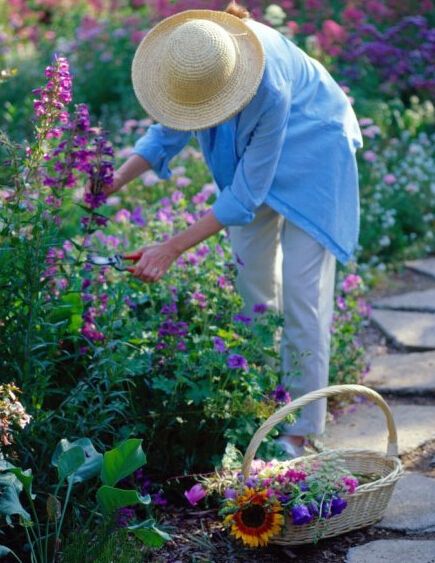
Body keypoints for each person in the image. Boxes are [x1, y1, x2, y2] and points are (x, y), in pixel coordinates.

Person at [99, 3, 363, 457]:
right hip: (256, 158)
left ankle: (298, 430)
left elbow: (244, 195)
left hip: (316, 151)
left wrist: (170, 248)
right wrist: (107, 184)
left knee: (303, 294)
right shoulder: (196, 61)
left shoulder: (267, 86)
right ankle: (259, 400)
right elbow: (165, 136)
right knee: (251, 285)